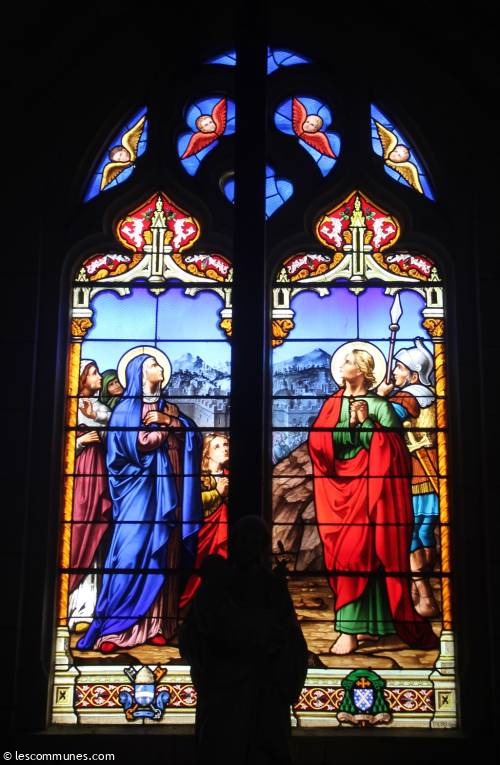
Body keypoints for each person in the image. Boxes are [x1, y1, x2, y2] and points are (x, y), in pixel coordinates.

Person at [308, 347, 438, 655]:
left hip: (374, 492)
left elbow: (395, 451)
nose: (343, 365)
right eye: (344, 361)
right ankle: (365, 627)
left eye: (349, 362)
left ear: (364, 371)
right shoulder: (332, 404)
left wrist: (367, 423)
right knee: (347, 555)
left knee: (369, 554)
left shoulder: (380, 405)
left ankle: (355, 631)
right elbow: (318, 443)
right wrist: (350, 425)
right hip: (338, 492)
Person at [77, 352, 202, 653]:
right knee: (128, 556)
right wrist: (162, 429)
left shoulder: (169, 408)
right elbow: (130, 449)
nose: (159, 368)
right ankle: (114, 628)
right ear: (139, 374)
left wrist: (170, 421)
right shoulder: (123, 410)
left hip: (167, 495)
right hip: (135, 495)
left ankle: (160, 625)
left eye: (158, 364)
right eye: (152, 365)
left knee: (164, 554)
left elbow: (193, 438)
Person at [179, 516, 308, 765]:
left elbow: (290, 640)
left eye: (255, 542)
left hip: (261, 692)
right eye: (244, 541)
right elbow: (193, 635)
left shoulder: (272, 588)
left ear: (262, 547)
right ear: (235, 544)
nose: (249, 548)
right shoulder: (215, 587)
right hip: (224, 691)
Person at [377, 338, 440, 617]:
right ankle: (418, 592)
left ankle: (424, 597)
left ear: (414, 376)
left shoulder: (408, 396)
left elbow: (386, 419)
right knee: (424, 532)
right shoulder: (428, 394)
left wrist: (380, 396)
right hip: (430, 471)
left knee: (409, 533)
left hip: (413, 474)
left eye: (399, 368)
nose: (394, 372)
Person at [68, 359, 112, 633]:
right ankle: (70, 607)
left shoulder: (103, 410)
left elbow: (117, 440)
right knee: (76, 535)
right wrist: (80, 441)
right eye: (93, 373)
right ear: (81, 378)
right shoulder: (67, 408)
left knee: (96, 536)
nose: (98, 377)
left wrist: (98, 419)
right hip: (77, 481)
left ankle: (88, 609)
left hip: (97, 479)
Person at [180, 433, 229, 608]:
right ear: (206, 452)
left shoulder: (230, 475)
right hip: (201, 531)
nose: (225, 449)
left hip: (223, 531)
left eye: (226, 445)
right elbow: (191, 503)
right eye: (217, 446)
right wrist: (217, 493)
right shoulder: (197, 478)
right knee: (197, 570)